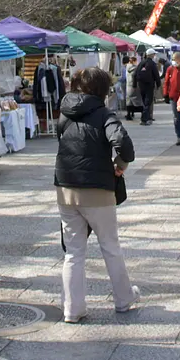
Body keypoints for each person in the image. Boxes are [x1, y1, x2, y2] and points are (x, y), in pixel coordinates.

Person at [55, 67, 140, 323]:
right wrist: (120, 165)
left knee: (73, 251)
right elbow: (123, 144)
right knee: (110, 246)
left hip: (66, 186)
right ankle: (124, 299)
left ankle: (72, 309)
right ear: (102, 90)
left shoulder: (64, 113)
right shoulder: (104, 114)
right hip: (97, 189)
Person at [135, 51, 161, 125]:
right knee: (148, 102)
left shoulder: (141, 63)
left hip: (141, 85)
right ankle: (144, 119)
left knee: (144, 102)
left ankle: (147, 117)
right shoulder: (152, 64)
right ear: (151, 55)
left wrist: (134, 85)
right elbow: (156, 74)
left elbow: (135, 73)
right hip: (149, 85)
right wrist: (158, 84)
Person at [125, 57, 142, 121]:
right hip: (135, 86)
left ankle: (129, 114)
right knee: (138, 101)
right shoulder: (136, 68)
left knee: (129, 101)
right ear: (135, 61)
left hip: (128, 86)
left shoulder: (127, 68)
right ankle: (142, 113)